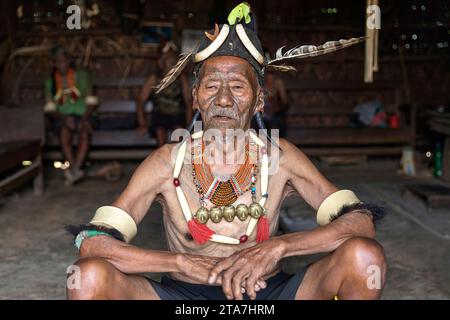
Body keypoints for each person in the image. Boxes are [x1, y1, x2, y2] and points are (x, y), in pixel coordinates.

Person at [67, 3, 384, 300]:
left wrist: (278, 248)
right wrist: (180, 263)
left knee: (363, 255)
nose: (222, 99)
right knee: (87, 276)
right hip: (186, 296)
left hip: (268, 294)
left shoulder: (279, 157)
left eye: (237, 86)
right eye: (211, 86)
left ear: (258, 101)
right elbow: (93, 243)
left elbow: (360, 223)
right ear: (195, 98)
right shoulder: (167, 163)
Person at [44, 46, 98, 186]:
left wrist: (84, 119)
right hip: (62, 117)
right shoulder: (50, 82)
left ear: (69, 61)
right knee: (64, 133)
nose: (61, 64)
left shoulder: (82, 76)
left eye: (64, 61)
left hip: (83, 114)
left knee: (84, 131)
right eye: (58, 61)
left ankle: (74, 170)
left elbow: (91, 101)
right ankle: (76, 170)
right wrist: (64, 118)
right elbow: (50, 108)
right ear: (54, 63)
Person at [136, 41, 192, 146]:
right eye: (166, 60)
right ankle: (161, 154)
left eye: (172, 61)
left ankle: (176, 157)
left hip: (177, 115)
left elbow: (188, 101)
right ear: (160, 61)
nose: (169, 64)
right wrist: (142, 123)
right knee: (159, 130)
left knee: (178, 131)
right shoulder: (154, 78)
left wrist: (189, 124)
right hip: (160, 115)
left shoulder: (181, 78)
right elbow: (140, 100)